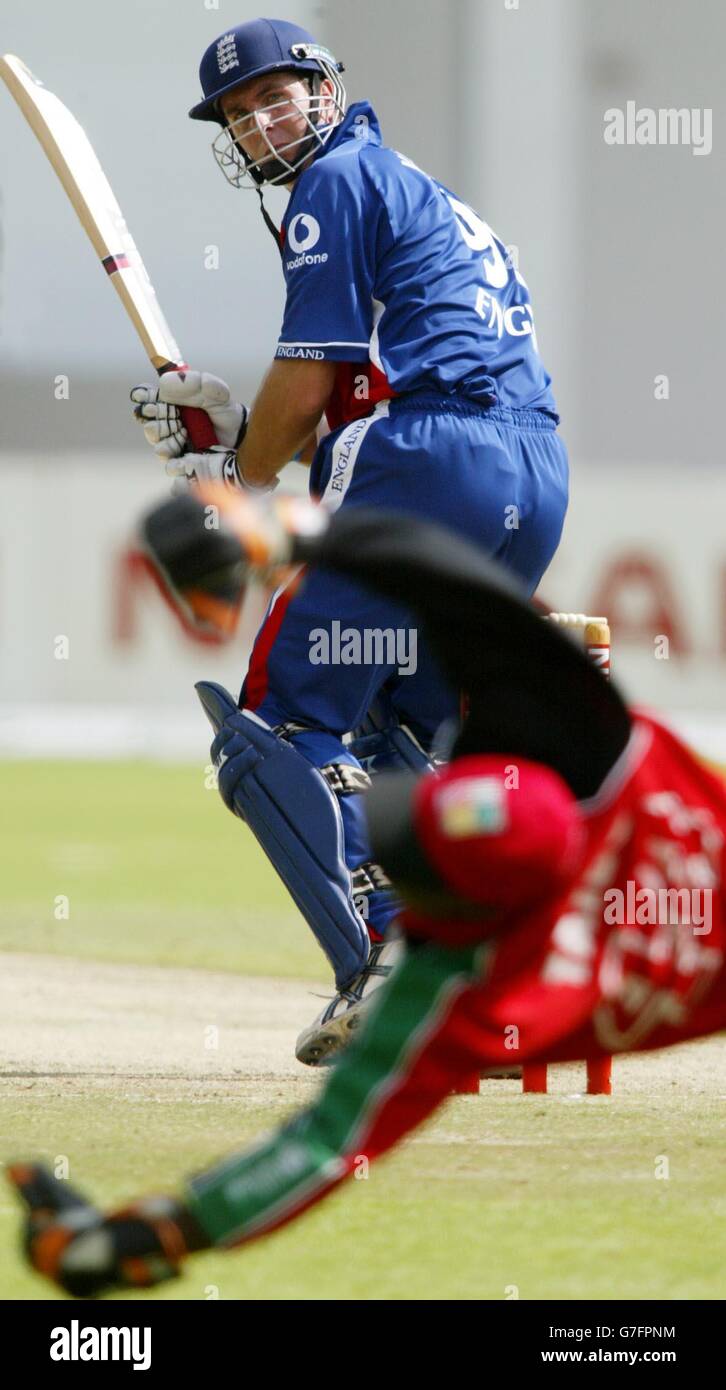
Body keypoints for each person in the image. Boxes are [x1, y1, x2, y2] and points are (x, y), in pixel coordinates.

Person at [9, 489, 724, 1299]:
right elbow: (453, 581)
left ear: (458, 913)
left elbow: (319, 1148)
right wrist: (288, 527)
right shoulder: (608, 760)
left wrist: (140, 1239)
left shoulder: (462, 998)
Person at [131, 16, 570, 1064]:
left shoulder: (334, 182)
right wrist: (231, 439)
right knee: (393, 730)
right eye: (239, 114)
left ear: (328, 90)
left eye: (277, 95)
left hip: (432, 457)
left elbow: (320, 383)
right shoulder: (420, 192)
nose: (261, 121)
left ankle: (386, 967)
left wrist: (230, 482)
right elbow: (354, 388)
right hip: (534, 471)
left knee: (277, 722)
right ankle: (497, 970)